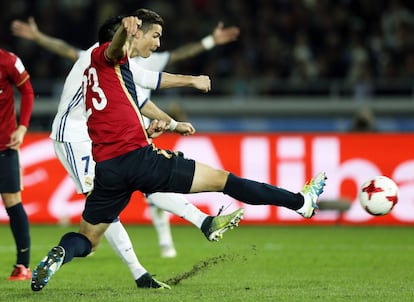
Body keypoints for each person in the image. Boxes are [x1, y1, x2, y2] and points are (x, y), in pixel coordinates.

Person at [30, 10, 327, 292]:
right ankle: (300, 203)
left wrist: (161, 126)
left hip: (110, 169)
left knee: (88, 239)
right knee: (225, 181)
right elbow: (117, 52)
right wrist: (127, 33)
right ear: (134, 35)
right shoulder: (108, 56)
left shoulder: (112, 77)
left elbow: (128, 108)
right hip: (138, 159)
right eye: (155, 35)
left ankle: (61, 252)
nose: (158, 43)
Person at [11, 15, 244, 289]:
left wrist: (172, 123)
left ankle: (201, 223)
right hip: (73, 136)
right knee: (103, 211)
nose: (150, 42)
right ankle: (140, 272)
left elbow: (141, 99)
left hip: (99, 136)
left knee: (147, 179)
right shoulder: (99, 57)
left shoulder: (122, 63)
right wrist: (186, 94)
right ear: (126, 35)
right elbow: (151, 83)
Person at [0, 48, 34, 280]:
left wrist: (22, 127)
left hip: (5, 147)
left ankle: (23, 266)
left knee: (13, 202)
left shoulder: (8, 61)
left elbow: (28, 92)